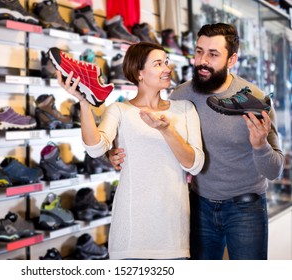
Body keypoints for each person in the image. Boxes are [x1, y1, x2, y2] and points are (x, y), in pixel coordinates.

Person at [109, 23, 285, 260]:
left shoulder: (255, 100)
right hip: (198, 206)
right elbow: (153, 137)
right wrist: (112, 153)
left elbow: (275, 170)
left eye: (213, 54)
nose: (202, 60)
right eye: (199, 51)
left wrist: (259, 145)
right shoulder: (181, 96)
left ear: (231, 60)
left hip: (246, 208)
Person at [56, 41, 205, 259]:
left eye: (166, 62)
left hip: (172, 232)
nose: (167, 68)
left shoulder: (184, 109)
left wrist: (167, 130)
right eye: (158, 64)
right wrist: (84, 102)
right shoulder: (119, 110)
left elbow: (195, 163)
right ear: (139, 72)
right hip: (130, 231)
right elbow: (95, 148)